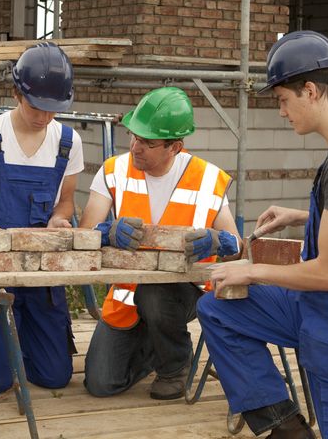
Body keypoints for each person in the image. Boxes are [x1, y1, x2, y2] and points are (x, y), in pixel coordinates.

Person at [198, 31, 328, 438]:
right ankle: (284, 427)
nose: (281, 112)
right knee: (219, 308)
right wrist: (300, 215)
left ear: (310, 90)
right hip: (325, 309)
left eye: (283, 100)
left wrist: (251, 271)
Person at [80, 86, 242, 401]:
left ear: (175, 147)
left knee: (155, 294)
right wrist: (107, 231)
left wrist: (217, 241)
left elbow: (235, 245)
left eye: (147, 142)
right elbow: (84, 230)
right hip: (128, 295)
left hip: (183, 292)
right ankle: (153, 349)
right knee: (101, 383)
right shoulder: (114, 170)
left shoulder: (206, 178)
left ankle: (173, 367)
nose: (136, 147)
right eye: (134, 136)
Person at [0, 42, 84, 395]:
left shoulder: (68, 142)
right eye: (37, 106)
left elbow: (65, 203)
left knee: (54, 377)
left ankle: (17, 337)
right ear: (16, 94)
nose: (44, 117)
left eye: (53, 110)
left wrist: (58, 220)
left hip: (42, 275)